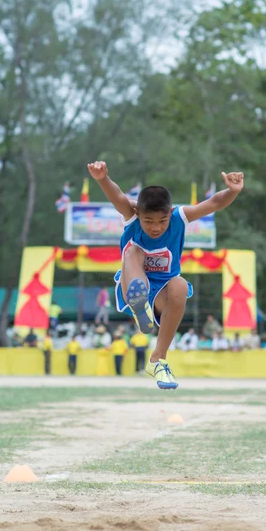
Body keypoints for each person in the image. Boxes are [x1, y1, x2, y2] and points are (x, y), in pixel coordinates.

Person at [88, 160, 243, 389]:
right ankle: (138, 303)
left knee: (180, 284)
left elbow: (214, 202)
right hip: (132, 281)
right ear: (137, 213)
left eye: (162, 221)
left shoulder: (180, 217)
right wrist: (102, 179)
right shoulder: (130, 216)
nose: (156, 227)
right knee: (133, 251)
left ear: (170, 212)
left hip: (162, 293)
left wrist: (232, 191)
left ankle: (157, 361)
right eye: (148, 221)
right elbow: (118, 197)